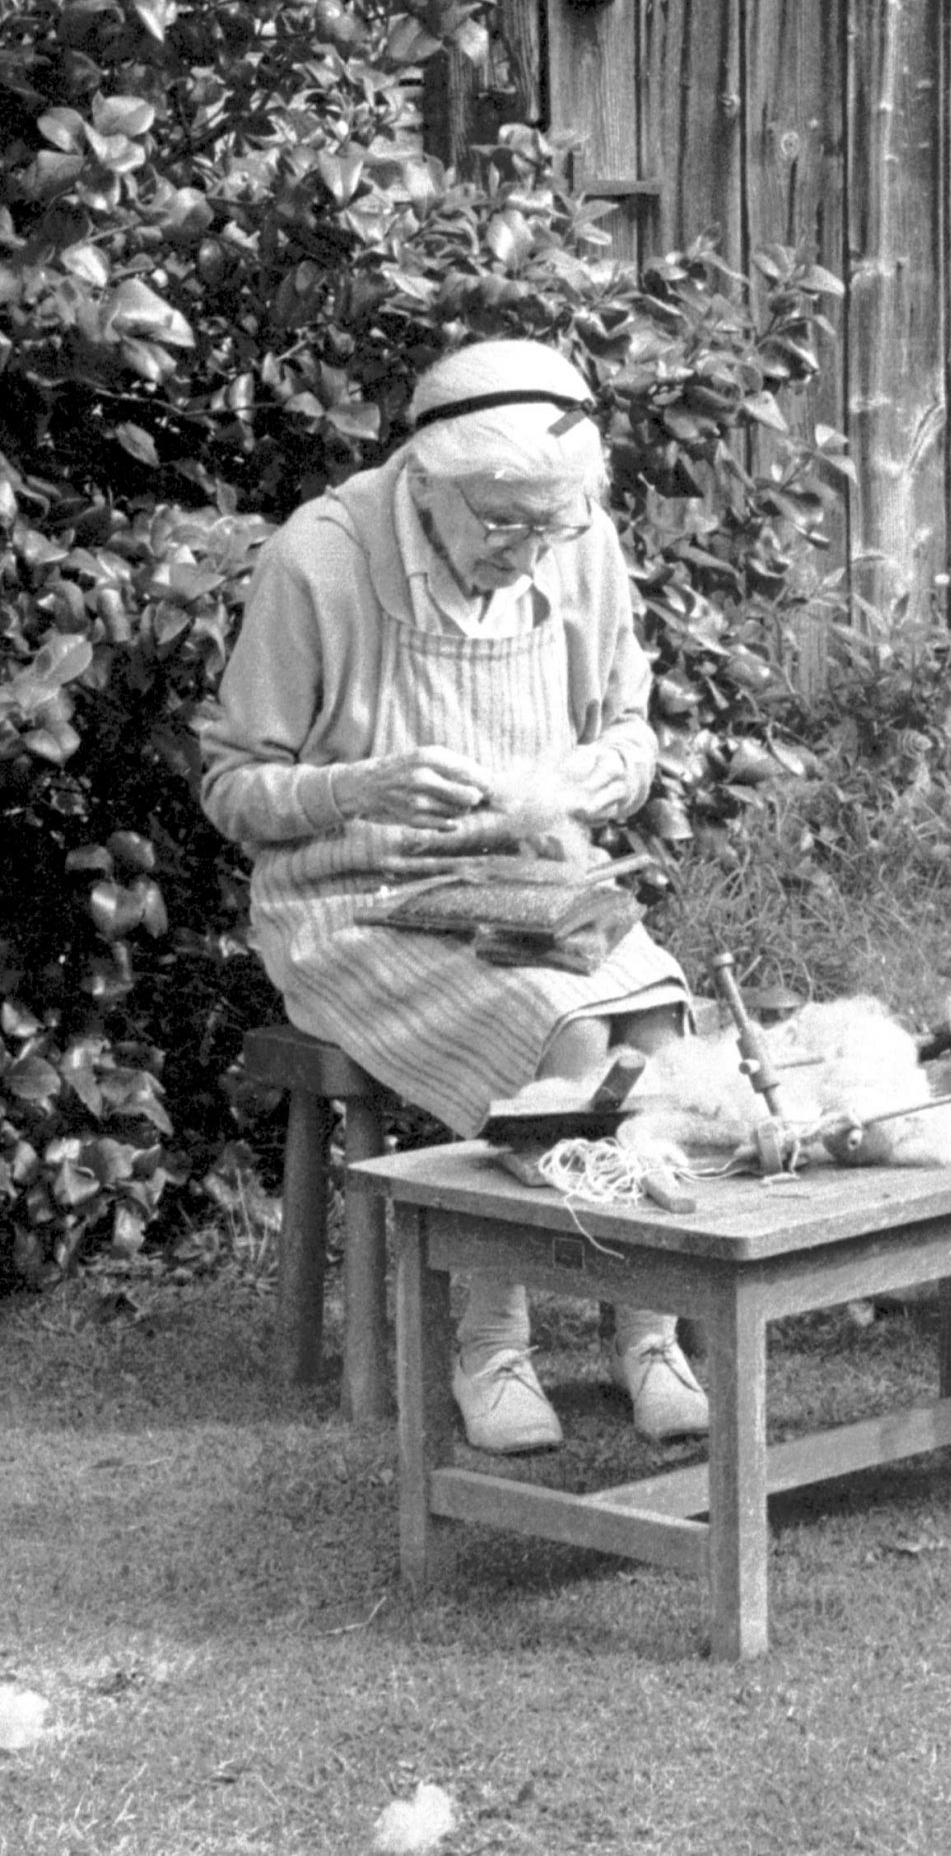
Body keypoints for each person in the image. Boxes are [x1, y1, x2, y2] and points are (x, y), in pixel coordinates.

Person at [200, 338, 708, 1455]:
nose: (528, 555)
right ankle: (491, 1342)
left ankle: (649, 1332)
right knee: (561, 1025)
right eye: (503, 524)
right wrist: (355, 786)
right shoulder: (321, 558)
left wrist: (574, 784)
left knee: (657, 1016)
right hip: (351, 899)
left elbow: (632, 738)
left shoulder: (576, 537)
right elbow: (232, 787)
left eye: (549, 529)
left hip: (525, 884)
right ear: (428, 482)